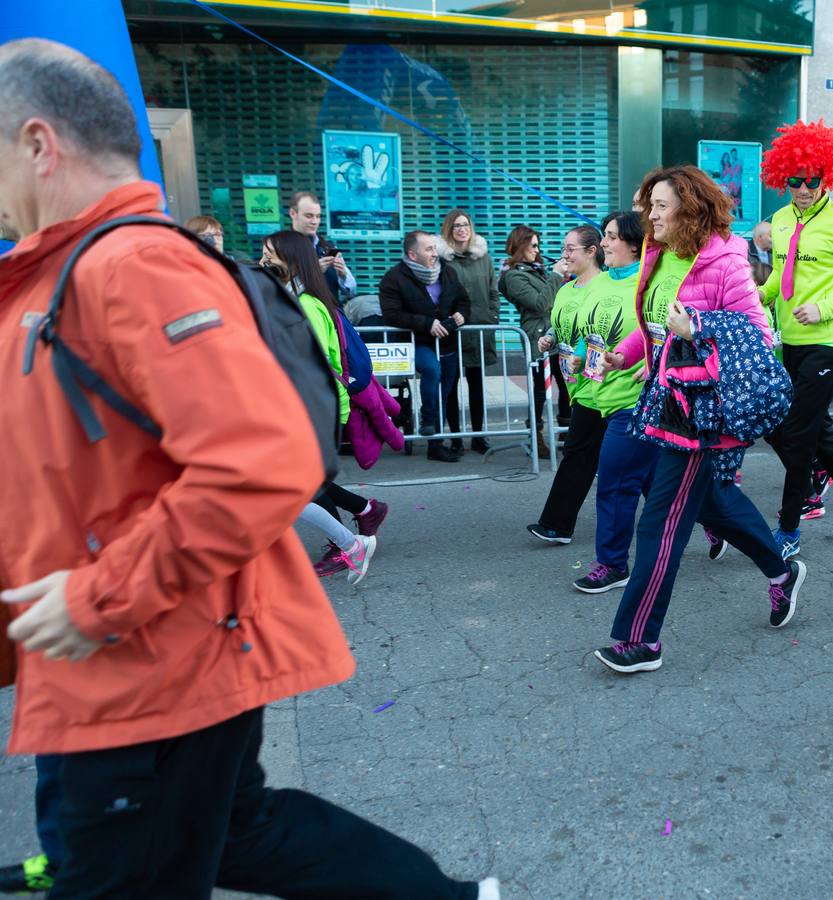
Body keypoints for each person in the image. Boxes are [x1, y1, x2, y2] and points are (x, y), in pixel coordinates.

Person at [0, 37, 494, 899]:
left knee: (159, 854)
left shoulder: (131, 267)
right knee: (232, 829)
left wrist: (94, 598)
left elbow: (256, 463)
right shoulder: (65, 273)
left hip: (147, 657)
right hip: (118, 659)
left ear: (39, 145)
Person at [591, 165, 805, 674]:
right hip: (662, 400)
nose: (650, 215)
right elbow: (655, 328)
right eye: (648, 205)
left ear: (689, 209)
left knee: (661, 524)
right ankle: (782, 571)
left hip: (701, 415)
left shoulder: (726, 263)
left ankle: (640, 640)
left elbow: (758, 332)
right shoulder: (657, 255)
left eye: (660, 206)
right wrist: (624, 355)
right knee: (715, 502)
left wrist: (702, 324)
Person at [758, 120, 833, 560]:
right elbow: (779, 273)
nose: (803, 189)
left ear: (826, 177)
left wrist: (826, 307)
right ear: (783, 177)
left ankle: (788, 528)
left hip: (828, 340)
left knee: (798, 434)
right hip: (789, 340)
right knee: (818, 428)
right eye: (795, 181)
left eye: (811, 181)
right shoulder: (780, 219)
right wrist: (759, 296)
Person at [261, 231, 380, 582]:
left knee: (288, 489)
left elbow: (305, 365)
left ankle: (350, 543)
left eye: (271, 255)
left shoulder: (307, 306)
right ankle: (353, 536)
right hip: (301, 409)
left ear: (292, 262)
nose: (264, 260)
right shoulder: (292, 299)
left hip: (309, 411)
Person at [571, 211, 652, 592]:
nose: (603, 243)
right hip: (604, 396)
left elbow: (664, 331)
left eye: (611, 236)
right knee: (678, 490)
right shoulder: (601, 282)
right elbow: (591, 333)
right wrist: (578, 355)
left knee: (615, 483)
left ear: (635, 244)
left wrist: (655, 360)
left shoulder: (649, 282)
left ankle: (612, 565)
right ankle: (737, 534)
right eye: (604, 236)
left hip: (637, 400)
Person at [527, 225, 607, 545]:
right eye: (563, 247)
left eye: (571, 248)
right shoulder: (566, 288)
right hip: (574, 382)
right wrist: (550, 338)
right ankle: (708, 513)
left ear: (592, 251)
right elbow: (562, 326)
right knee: (624, 463)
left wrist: (585, 356)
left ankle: (556, 524)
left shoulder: (605, 287)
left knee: (578, 452)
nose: (564, 254)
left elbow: (603, 330)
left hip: (602, 384)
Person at [379, 229, 472, 462]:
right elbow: (391, 315)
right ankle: (428, 418)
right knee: (432, 369)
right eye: (429, 249)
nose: (435, 253)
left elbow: (463, 300)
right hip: (417, 341)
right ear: (413, 254)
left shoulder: (447, 272)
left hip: (448, 341)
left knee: (444, 391)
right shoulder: (394, 278)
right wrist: (426, 323)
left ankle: (435, 444)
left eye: (434, 248)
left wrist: (461, 314)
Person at [499, 224, 562, 458]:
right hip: (536, 336)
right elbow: (539, 304)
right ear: (520, 246)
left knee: (565, 388)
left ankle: (565, 434)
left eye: (538, 245)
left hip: (555, 333)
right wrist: (555, 276)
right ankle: (536, 436)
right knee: (539, 391)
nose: (537, 250)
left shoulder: (537, 270)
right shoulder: (514, 276)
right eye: (533, 245)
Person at [439, 208, 498, 455]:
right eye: (457, 226)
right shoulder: (442, 258)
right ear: (449, 230)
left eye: (466, 225)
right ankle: (455, 436)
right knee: (450, 385)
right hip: (451, 331)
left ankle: (477, 434)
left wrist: (493, 316)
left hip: (480, 328)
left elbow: (493, 289)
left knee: (476, 385)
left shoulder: (483, 256)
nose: (462, 229)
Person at [288, 190, 356, 303]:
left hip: (329, 315)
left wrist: (342, 274)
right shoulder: (280, 247)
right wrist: (313, 273)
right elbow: (282, 293)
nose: (314, 221)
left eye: (318, 216)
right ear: (293, 213)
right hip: (300, 316)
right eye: (308, 216)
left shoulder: (327, 246)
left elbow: (351, 291)